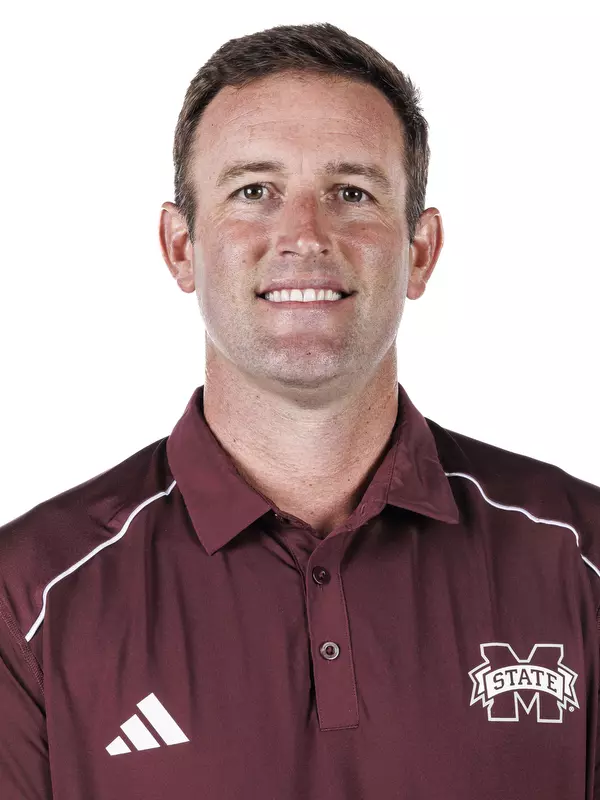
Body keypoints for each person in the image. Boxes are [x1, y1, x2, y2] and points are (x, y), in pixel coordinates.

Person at [1, 20, 599, 800]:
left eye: (352, 192)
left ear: (420, 251)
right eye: (255, 191)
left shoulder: (581, 556)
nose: (305, 235)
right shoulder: (29, 597)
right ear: (181, 247)